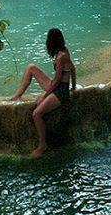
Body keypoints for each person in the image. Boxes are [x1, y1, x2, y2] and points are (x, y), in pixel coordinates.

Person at [10, 28, 76, 157]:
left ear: (51, 41)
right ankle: (17, 96)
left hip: (60, 91)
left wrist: (45, 96)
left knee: (37, 114)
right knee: (31, 68)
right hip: (58, 86)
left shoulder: (62, 56)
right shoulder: (62, 51)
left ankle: (42, 145)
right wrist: (73, 87)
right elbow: (73, 69)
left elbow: (57, 82)